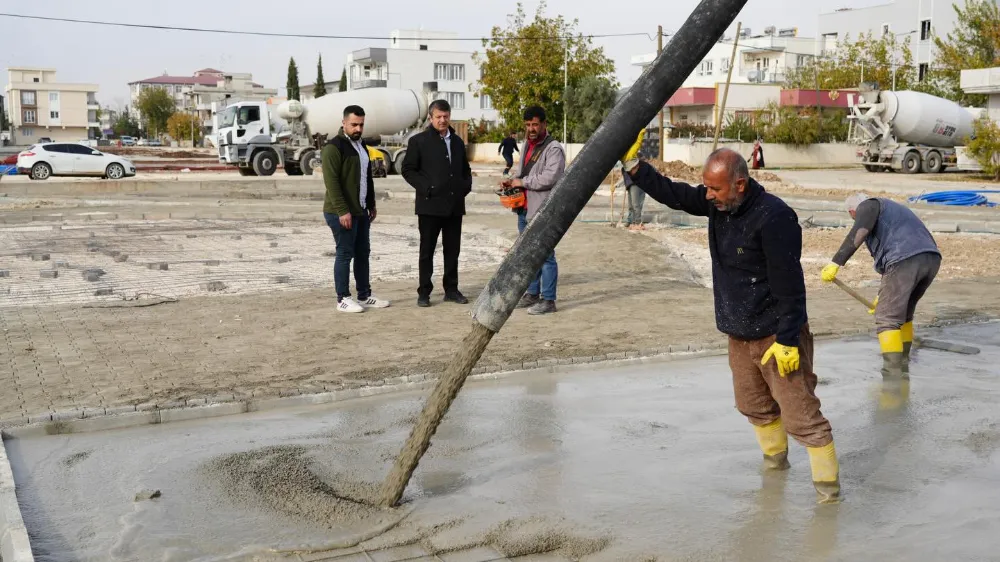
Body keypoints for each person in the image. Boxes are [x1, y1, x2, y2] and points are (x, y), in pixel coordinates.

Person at [624, 147, 840, 504]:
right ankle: (775, 472)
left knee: (802, 418)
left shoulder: (775, 218)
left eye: (715, 189)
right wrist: (636, 168)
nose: (707, 196)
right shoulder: (719, 202)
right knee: (753, 406)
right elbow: (676, 195)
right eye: (706, 188)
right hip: (739, 332)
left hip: (776, 335)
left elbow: (790, 286)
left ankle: (829, 498)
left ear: (739, 183)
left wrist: (787, 340)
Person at [821, 193, 941, 378]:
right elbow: (889, 270)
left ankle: (892, 374)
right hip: (930, 259)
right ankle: (904, 362)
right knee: (904, 314)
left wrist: (836, 262)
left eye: (853, 217)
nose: (855, 219)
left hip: (905, 259)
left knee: (887, 318)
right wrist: (881, 295)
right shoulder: (891, 213)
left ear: (853, 211)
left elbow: (858, 232)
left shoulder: (868, 206)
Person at [401, 99, 474, 308]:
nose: (442, 120)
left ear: (449, 116)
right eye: (438, 117)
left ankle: (451, 289)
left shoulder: (458, 142)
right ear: (431, 118)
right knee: (427, 251)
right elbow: (408, 170)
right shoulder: (419, 142)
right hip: (429, 206)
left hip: (454, 207)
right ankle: (424, 292)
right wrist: (427, 188)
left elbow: (465, 170)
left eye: (446, 116)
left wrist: (464, 187)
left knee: (453, 251)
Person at [321, 105, 390, 313]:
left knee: (362, 253)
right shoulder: (334, 147)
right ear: (344, 123)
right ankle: (342, 298)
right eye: (354, 124)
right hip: (339, 212)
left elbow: (366, 178)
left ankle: (364, 295)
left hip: (360, 211)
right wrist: (343, 211)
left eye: (361, 124)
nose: (358, 128)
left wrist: (371, 204)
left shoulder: (361, 147)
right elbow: (331, 182)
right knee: (344, 253)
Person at [501, 106, 566, 315]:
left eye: (535, 124)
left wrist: (522, 181)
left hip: (543, 210)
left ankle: (548, 300)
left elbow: (550, 178)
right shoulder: (526, 144)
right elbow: (522, 173)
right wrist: (512, 183)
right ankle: (532, 293)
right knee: (528, 254)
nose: (531, 129)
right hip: (524, 209)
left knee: (546, 255)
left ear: (544, 124)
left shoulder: (553, 148)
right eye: (528, 125)